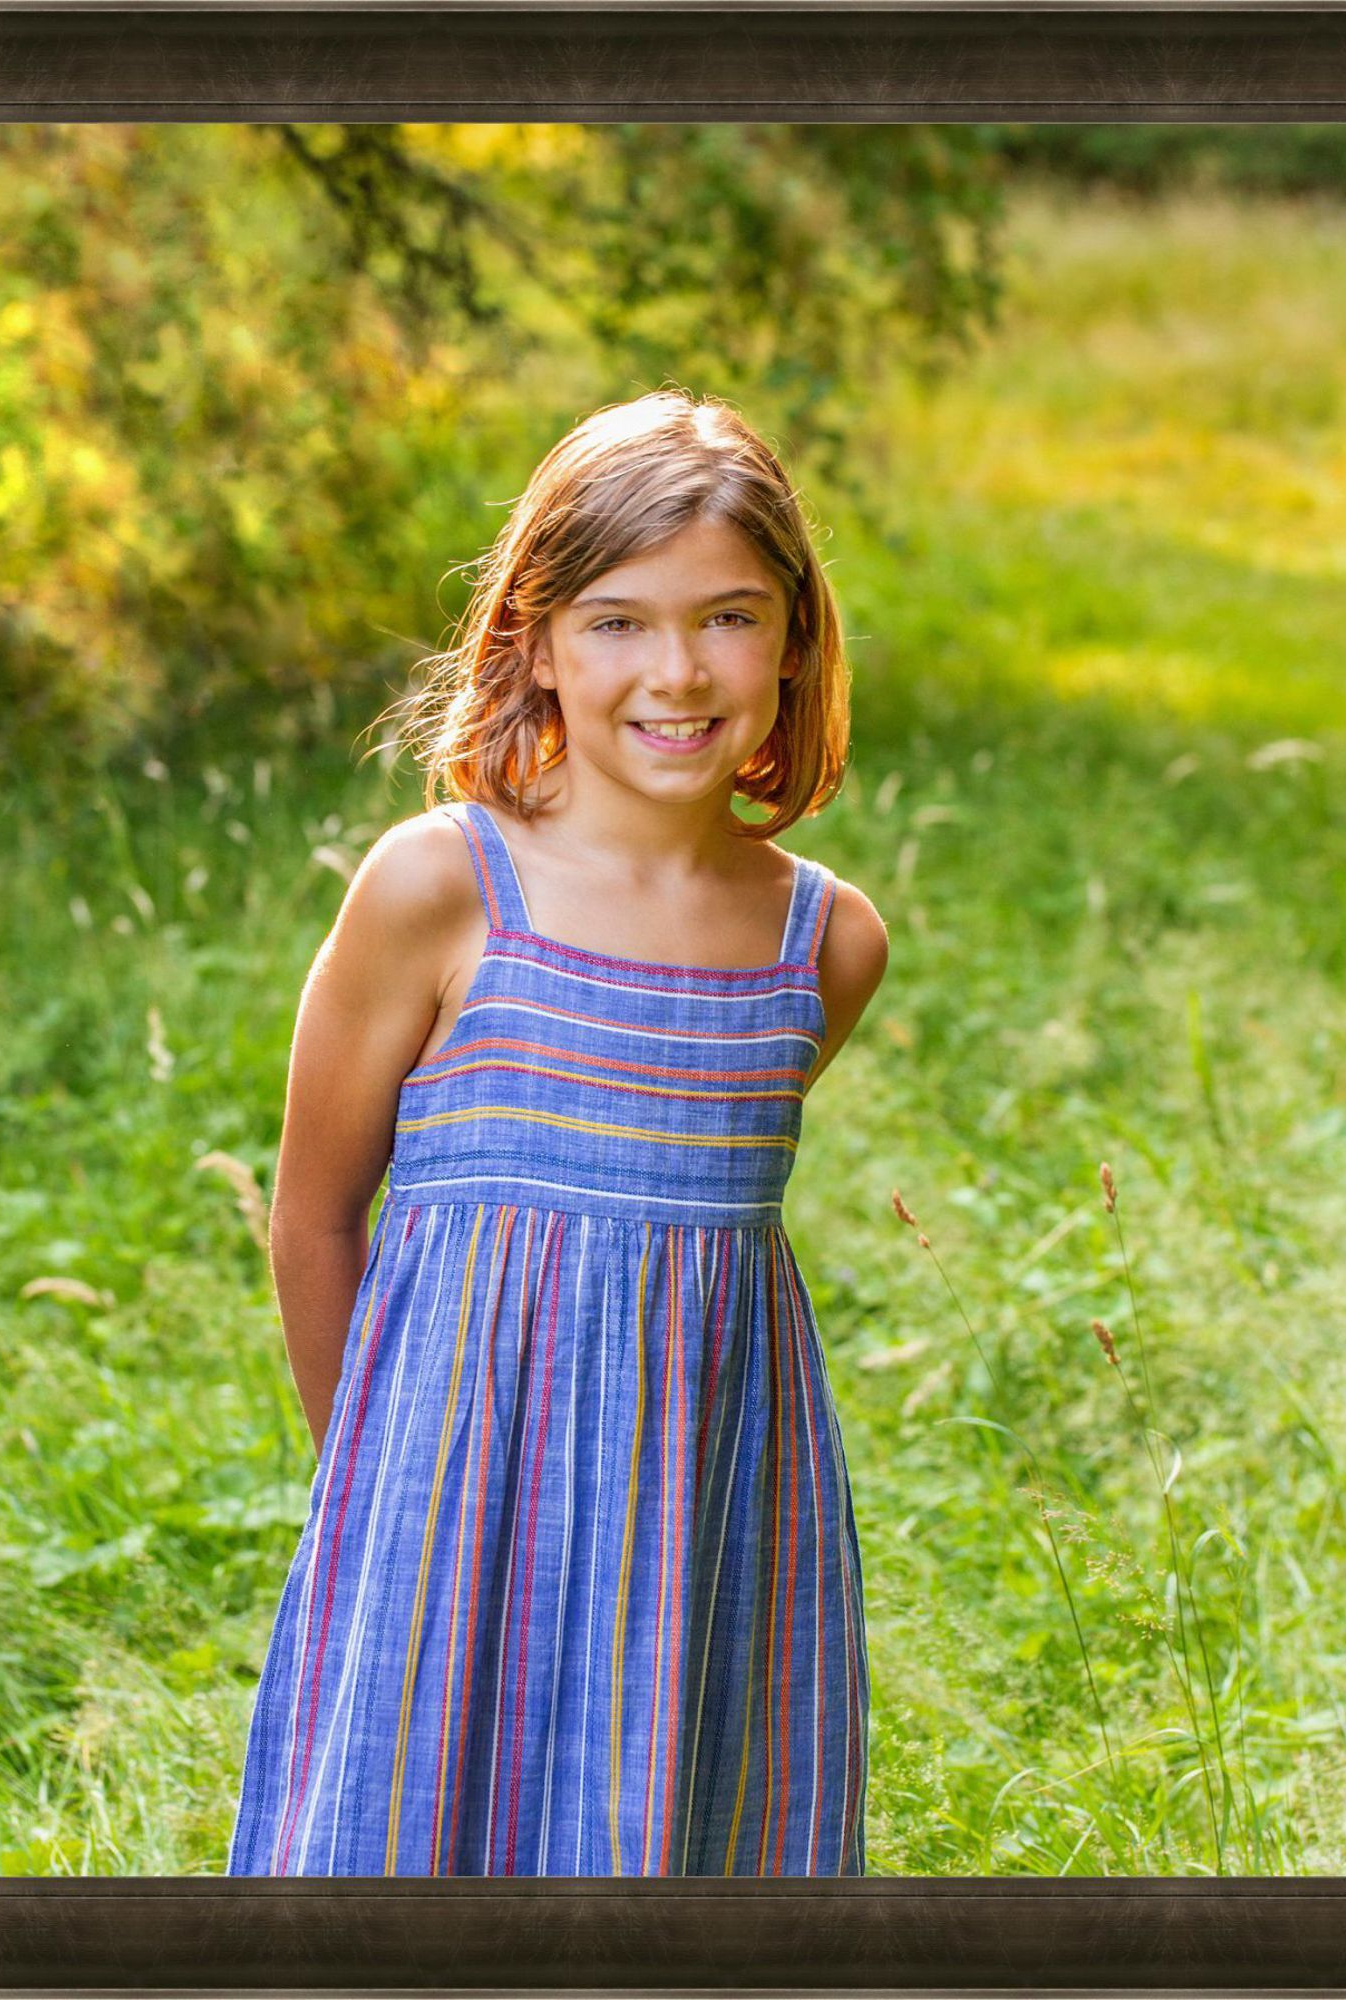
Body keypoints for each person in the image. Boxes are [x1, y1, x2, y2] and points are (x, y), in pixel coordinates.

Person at [225, 387, 889, 1878]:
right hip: (442, 1510)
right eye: (616, 622)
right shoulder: (439, 889)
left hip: (704, 1539)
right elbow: (316, 1216)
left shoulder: (824, 943)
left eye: (728, 617)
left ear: (794, 637)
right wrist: (381, 1491)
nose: (677, 670)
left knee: (674, 1849)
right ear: (530, 634)